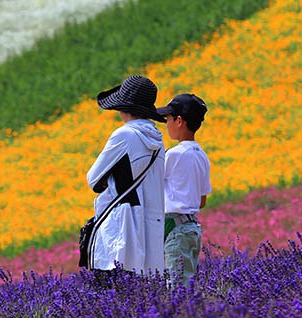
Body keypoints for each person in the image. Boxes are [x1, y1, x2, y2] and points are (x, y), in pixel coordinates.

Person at [85, 75, 166, 285]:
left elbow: (93, 179)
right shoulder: (157, 139)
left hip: (120, 226)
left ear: (123, 107)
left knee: (111, 296)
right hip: (150, 227)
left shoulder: (124, 135)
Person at [157, 93, 211, 286]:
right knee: (187, 283)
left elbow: (153, 182)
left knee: (176, 288)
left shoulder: (173, 155)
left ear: (179, 121)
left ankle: (183, 317)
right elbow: (202, 201)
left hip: (176, 229)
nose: (166, 124)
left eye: (168, 119)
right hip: (192, 229)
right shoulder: (201, 155)